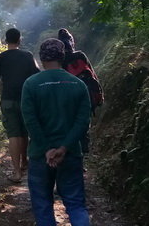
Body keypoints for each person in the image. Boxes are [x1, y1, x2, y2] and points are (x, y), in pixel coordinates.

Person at [21, 38, 91, 226]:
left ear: (41, 59)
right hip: (71, 154)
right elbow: (83, 121)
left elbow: (30, 121)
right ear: (63, 57)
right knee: (76, 205)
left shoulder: (31, 84)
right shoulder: (78, 85)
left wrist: (46, 149)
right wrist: (65, 147)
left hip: (39, 155)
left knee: (42, 205)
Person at [0, 27, 40, 183]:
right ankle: (25, 161)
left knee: (13, 135)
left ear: (5, 40)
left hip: (8, 100)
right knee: (25, 132)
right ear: (20, 40)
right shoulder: (28, 56)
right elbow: (37, 77)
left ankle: (17, 172)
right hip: (26, 99)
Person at [58, 28, 103, 154]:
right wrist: (99, 93)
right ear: (72, 42)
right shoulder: (80, 55)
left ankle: (71, 151)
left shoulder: (60, 60)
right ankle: (83, 150)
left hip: (68, 95)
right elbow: (93, 75)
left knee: (70, 123)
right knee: (83, 122)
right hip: (86, 92)